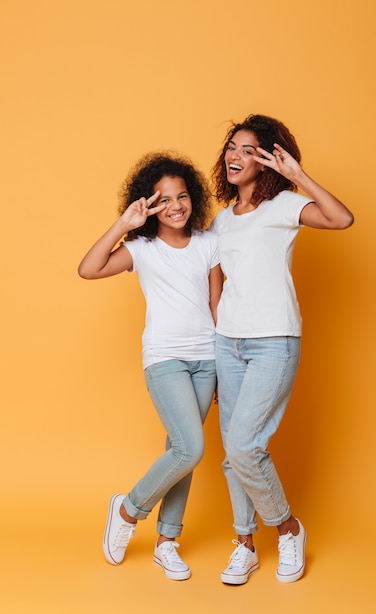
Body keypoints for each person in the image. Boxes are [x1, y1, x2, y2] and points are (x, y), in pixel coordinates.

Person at [210, 114, 354, 585]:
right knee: (232, 453)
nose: (235, 156)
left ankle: (288, 528)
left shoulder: (285, 205)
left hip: (274, 339)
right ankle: (244, 545)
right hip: (227, 342)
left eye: (248, 149)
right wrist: (216, 329)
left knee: (244, 445)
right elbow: (216, 285)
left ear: (269, 158)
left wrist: (297, 175)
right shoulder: (221, 220)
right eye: (232, 146)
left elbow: (341, 218)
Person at [78, 152, 223, 580]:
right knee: (190, 448)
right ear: (149, 204)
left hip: (208, 360)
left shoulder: (208, 244)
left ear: (193, 197)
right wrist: (124, 224)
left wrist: (226, 366)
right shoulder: (141, 249)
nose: (176, 206)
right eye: (164, 200)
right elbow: (88, 269)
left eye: (183, 196)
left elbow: (218, 307)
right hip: (165, 359)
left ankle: (167, 543)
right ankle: (127, 509)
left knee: (181, 453)